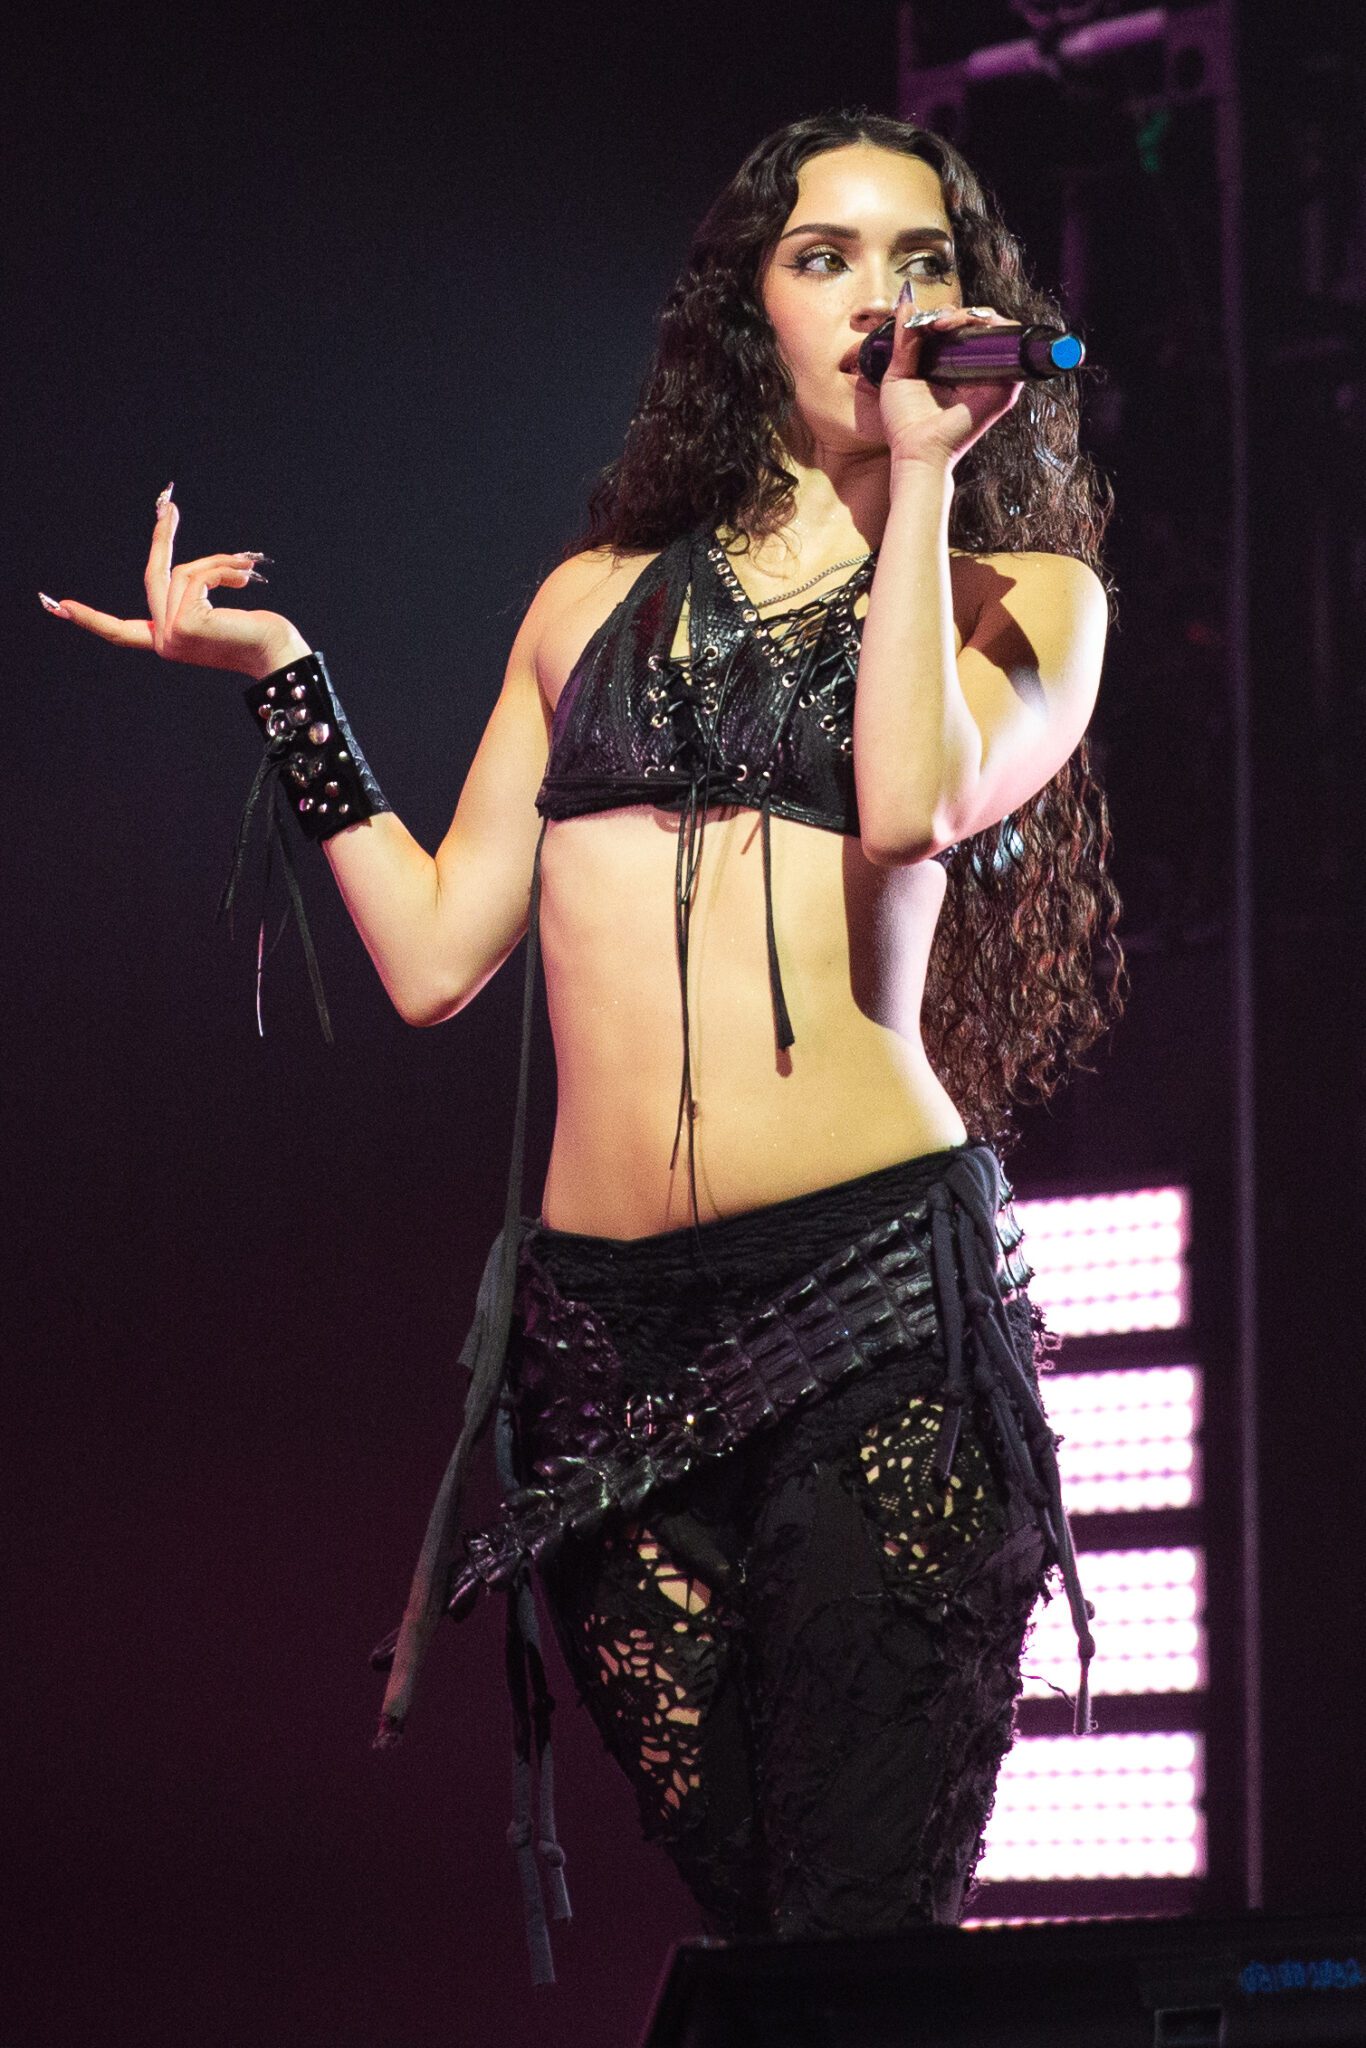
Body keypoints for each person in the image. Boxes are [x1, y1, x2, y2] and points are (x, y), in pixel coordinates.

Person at [42, 110, 1121, 1975]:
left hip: (873, 1317)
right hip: (607, 1363)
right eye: (825, 257)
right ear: (748, 310)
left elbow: (902, 803)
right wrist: (289, 687)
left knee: (857, 1944)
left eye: (921, 261)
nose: (877, 295)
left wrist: (925, 481)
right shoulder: (590, 600)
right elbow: (433, 959)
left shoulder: (1021, 601)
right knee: (754, 1933)